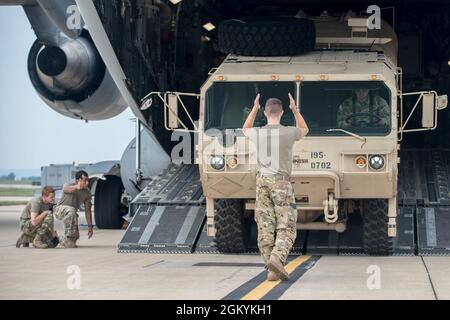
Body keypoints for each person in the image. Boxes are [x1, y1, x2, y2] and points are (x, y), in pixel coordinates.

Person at [243, 93, 309, 281]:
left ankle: (271, 270)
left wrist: (254, 108)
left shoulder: (257, 132)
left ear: (265, 113)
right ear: (281, 113)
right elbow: (304, 129)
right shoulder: (289, 132)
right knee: (286, 226)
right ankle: (277, 258)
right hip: (281, 183)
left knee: (265, 227)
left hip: (261, 183)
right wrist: (295, 109)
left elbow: (245, 128)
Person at [53, 170, 94, 248]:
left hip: (72, 214)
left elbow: (87, 210)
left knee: (73, 240)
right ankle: (65, 238)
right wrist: (77, 187)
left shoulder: (87, 192)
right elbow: (66, 189)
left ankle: (57, 238)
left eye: (87, 180)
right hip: (60, 210)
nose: (87, 183)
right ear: (78, 180)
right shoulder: (68, 185)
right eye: (85, 180)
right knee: (72, 210)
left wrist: (90, 226)